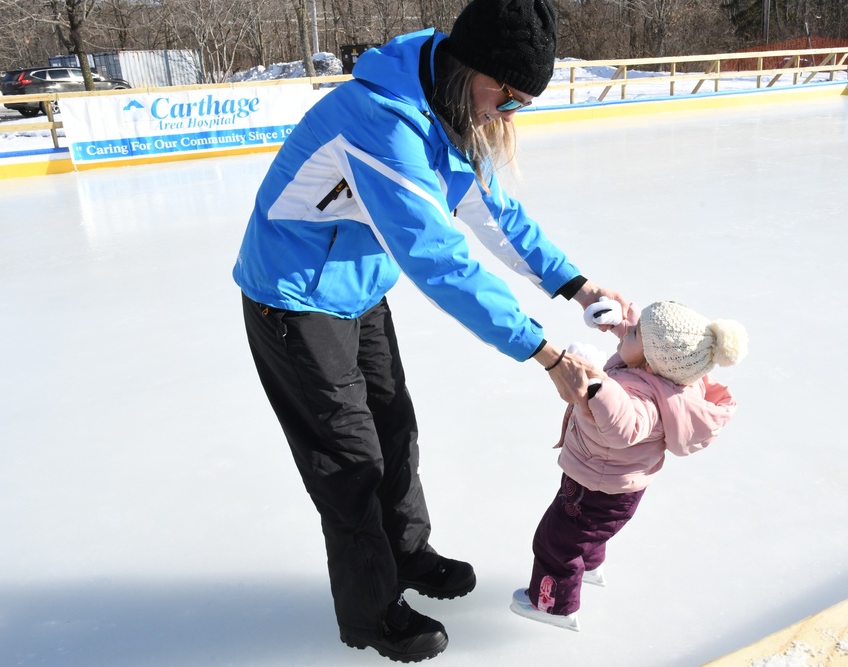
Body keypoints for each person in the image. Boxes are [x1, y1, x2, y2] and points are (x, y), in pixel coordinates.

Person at [232, 0, 628, 661]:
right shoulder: (381, 125)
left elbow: (497, 214)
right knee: (351, 462)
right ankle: (370, 611)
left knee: (394, 429)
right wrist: (545, 351)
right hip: (293, 301)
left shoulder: (444, 111)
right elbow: (440, 260)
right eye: (510, 100)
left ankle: (409, 554)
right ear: (479, 70)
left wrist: (577, 286)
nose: (507, 116)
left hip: (357, 290)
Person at [510, 300, 748, 631]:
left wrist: (596, 382)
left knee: (556, 542)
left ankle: (552, 606)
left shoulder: (644, 397)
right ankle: (590, 566)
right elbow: (649, 343)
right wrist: (621, 324)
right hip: (608, 483)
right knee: (584, 532)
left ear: (651, 360)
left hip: (596, 486)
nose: (629, 333)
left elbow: (623, 426)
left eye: (635, 333)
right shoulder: (666, 371)